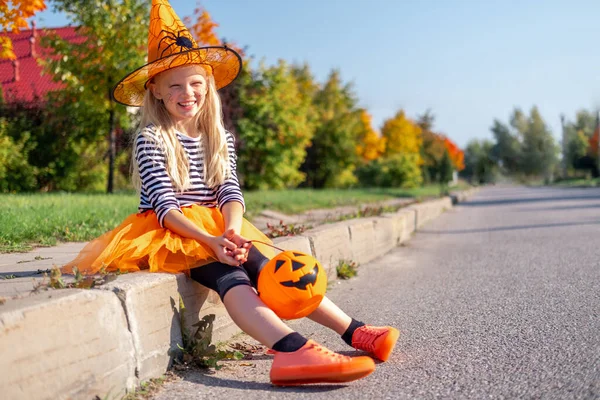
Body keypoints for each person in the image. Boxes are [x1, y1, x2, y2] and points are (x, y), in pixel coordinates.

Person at [63, 0, 399, 386]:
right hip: (175, 233)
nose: (186, 93)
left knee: (275, 269)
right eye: (174, 85)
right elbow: (164, 207)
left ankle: (355, 332)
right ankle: (290, 351)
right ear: (154, 90)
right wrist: (211, 239)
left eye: (195, 84)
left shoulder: (218, 137)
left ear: (207, 86)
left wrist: (233, 231)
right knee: (230, 277)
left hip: (220, 227)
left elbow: (230, 191)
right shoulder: (151, 138)